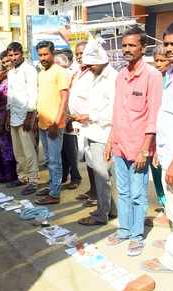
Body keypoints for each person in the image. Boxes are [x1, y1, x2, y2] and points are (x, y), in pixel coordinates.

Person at [105, 26, 163, 256]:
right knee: (124, 191)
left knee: (139, 194)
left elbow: (154, 116)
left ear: (142, 47)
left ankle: (136, 236)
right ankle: (124, 230)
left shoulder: (153, 76)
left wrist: (145, 150)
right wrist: (110, 141)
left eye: (131, 45)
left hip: (139, 147)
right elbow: (117, 112)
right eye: (124, 45)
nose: (127, 49)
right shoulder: (121, 76)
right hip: (120, 144)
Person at [73, 39, 118, 226]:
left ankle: (101, 215)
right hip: (92, 131)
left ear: (99, 60)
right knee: (101, 176)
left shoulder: (112, 78)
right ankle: (110, 209)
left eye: (90, 65)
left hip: (103, 133)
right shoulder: (95, 75)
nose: (88, 68)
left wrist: (89, 116)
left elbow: (113, 111)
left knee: (102, 177)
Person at [144, 21, 173, 272]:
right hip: (167, 152)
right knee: (172, 208)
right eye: (166, 43)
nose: (169, 49)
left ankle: (172, 260)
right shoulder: (170, 74)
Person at [34, 41, 69, 205]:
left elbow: (64, 99)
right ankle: (52, 186)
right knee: (48, 160)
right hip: (42, 123)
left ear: (52, 53)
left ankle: (55, 194)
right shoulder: (41, 73)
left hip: (54, 125)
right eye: (40, 55)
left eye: (45, 54)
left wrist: (57, 122)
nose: (43, 58)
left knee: (55, 161)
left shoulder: (60, 72)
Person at [6, 42, 39, 196]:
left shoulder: (29, 70)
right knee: (17, 150)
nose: (13, 58)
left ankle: (33, 180)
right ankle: (22, 177)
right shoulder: (11, 72)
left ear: (22, 54)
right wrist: (7, 115)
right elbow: (10, 96)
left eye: (15, 54)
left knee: (28, 151)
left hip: (25, 116)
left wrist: (30, 116)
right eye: (10, 55)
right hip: (13, 115)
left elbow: (33, 93)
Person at [68, 41, 99, 207]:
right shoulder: (78, 72)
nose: (80, 56)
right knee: (87, 159)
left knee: (95, 162)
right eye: (77, 54)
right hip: (79, 125)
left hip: (91, 123)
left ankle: (98, 194)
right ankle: (92, 189)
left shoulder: (95, 73)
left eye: (83, 53)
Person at [54, 50, 82, 190]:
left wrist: (70, 120)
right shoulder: (59, 76)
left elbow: (71, 100)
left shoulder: (72, 75)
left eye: (58, 63)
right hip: (60, 119)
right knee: (62, 151)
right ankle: (64, 175)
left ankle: (76, 177)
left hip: (70, 120)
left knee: (71, 152)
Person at [0, 62, 18, 183]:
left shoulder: (7, 84)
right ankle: (2, 173)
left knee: (7, 148)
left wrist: (2, 122)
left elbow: (8, 104)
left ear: (4, 72)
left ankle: (11, 174)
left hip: (3, 118)